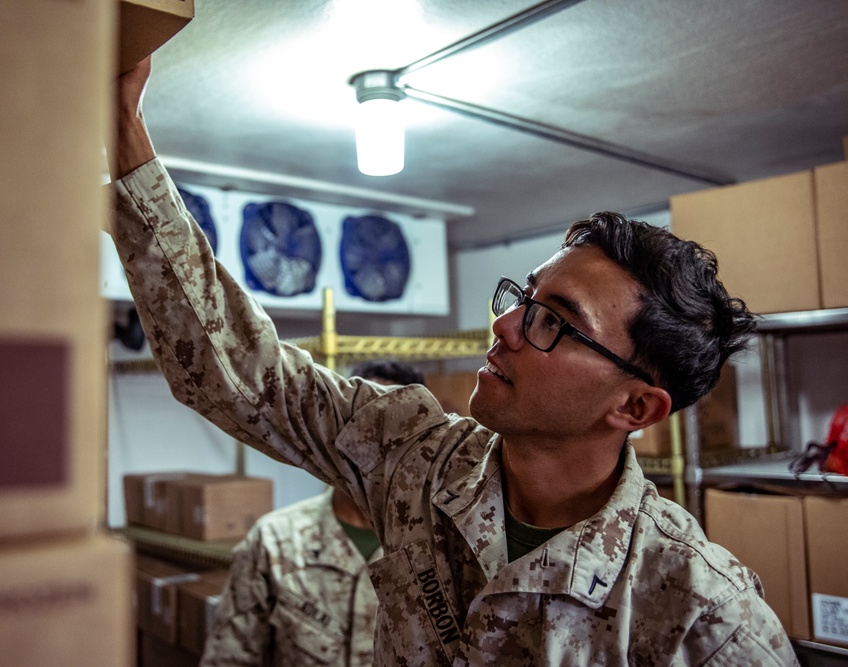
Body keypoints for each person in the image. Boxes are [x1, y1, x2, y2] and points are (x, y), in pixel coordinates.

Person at [110, 58, 797, 665]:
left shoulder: (702, 617)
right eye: (522, 298)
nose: (503, 325)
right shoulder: (416, 457)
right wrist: (127, 138)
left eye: (553, 321)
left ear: (634, 405)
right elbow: (244, 373)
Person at [201, 362, 424, 667]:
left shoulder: (439, 551)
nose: (375, 443)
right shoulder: (275, 542)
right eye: (362, 423)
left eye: (395, 428)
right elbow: (228, 659)